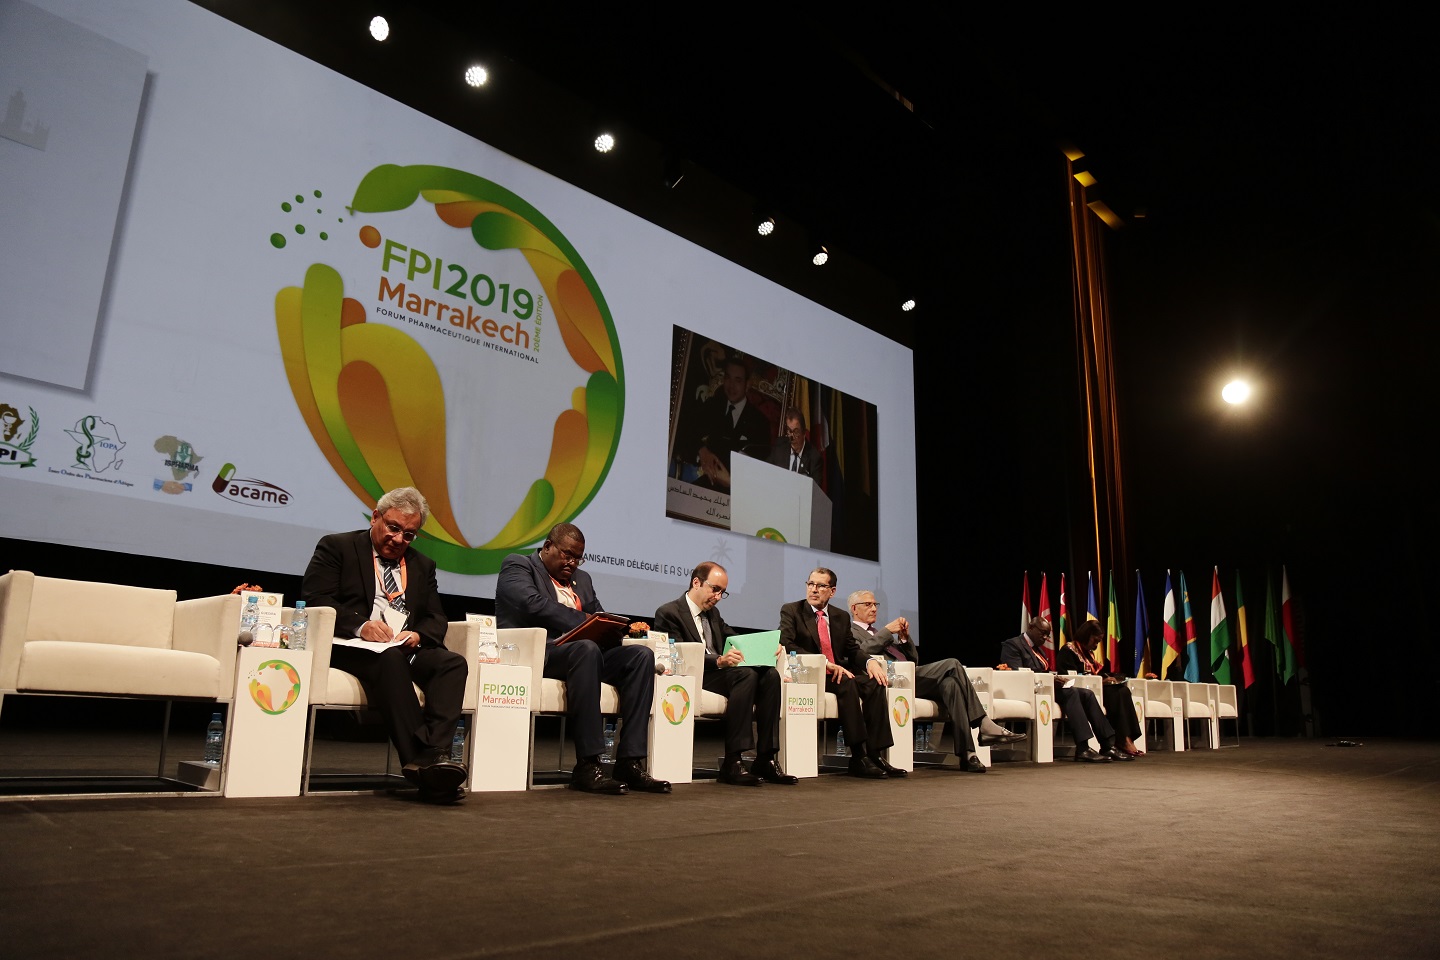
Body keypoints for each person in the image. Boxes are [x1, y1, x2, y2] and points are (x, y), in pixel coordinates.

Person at [301, 487, 468, 803]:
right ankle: (424, 767)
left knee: (452, 664)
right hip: (351, 645)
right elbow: (316, 598)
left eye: (409, 534)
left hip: (403, 646)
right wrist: (361, 626)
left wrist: (417, 635)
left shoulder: (422, 565)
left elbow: (436, 617)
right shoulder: (338, 547)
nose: (399, 539)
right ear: (375, 517)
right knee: (390, 659)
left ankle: (433, 754)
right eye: (393, 527)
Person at [495, 523, 670, 795]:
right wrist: (585, 622)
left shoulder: (583, 580)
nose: (573, 563)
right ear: (548, 546)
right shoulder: (518, 565)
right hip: (543, 652)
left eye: (578, 558)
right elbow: (532, 604)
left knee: (640, 656)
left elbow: (598, 615)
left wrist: (616, 630)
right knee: (586, 648)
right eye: (567, 555)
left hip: (585, 656)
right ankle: (588, 765)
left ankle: (630, 762)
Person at [652, 562, 797, 786]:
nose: (718, 597)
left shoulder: (713, 614)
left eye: (723, 592)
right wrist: (718, 660)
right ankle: (733, 761)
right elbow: (675, 653)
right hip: (695, 674)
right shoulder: (669, 612)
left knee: (770, 675)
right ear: (696, 582)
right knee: (746, 675)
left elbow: (735, 637)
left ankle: (766, 759)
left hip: (719, 674)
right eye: (715, 589)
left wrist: (768, 646)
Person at [848, 590, 1024, 773]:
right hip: (890, 680)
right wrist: (887, 631)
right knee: (953, 664)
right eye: (868, 604)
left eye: (875, 604)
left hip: (910, 676)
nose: (873, 608)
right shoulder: (852, 631)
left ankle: (968, 755)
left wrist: (904, 639)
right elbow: (860, 652)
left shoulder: (877, 633)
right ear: (854, 608)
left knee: (952, 686)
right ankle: (983, 723)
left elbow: (913, 661)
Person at [779, 568, 905, 778]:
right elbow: (787, 643)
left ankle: (875, 754)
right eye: (811, 584)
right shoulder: (792, 610)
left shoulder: (840, 616)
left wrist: (870, 662)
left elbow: (852, 649)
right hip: (809, 673)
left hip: (837, 674)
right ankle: (858, 756)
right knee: (847, 681)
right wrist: (825, 663)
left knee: (875, 682)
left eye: (821, 586)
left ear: (832, 591)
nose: (814, 589)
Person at [999, 617, 1132, 762]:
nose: (1045, 638)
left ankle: (1107, 745)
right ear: (1031, 628)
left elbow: (1044, 671)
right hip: (1028, 690)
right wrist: (1050, 679)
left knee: (1087, 694)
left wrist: (1055, 678)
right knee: (1072, 692)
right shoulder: (1013, 645)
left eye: (1047, 634)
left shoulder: (1039, 650)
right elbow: (1018, 673)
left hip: (1045, 688)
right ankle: (1083, 748)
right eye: (1043, 633)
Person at [680, 354, 773, 490]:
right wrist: (702, 451)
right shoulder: (712, 406)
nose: (731, 386)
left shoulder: (760, 422)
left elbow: (759, 472)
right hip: (706, 481)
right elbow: (687, 431)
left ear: (747, 385)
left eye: (738, 380)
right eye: (728, 378)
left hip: (737, 489)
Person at [1057, 620, 1144, 756]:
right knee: (1115, 694)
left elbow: (1095, 672)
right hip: (1080, 689)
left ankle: (1127, 737)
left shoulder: (1088, 653)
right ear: (1086, 635)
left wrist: (1109, 678)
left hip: (1095, 688)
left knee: (1123, 691)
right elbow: (1070, 676)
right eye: (1095, 641)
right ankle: (1120, 740)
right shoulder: (1068, 650)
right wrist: (1101, 682)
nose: (1096, 645)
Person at [767, 407, 821, 479]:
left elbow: (814, 485)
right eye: (789, 431)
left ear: (804, 432)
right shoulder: (779, 446)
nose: (791, 437)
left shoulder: (814, 458)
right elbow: (766, 471)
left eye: (796, 431)